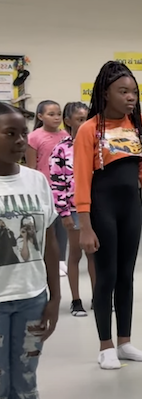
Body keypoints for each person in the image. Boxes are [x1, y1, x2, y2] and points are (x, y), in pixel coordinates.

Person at [76, 61, 142, 370]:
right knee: (106, 276)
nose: (130, 97)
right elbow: (81, 180)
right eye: (123, 91)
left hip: (131, 207)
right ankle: (105, 344)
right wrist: (85, 226)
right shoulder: (89, 129)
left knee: (127, 275)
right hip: (101, 207)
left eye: (133, 92)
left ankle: (125, 341)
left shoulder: (139, 124)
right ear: (105, 93)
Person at [0, 101, 62, 399]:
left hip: (30, 302)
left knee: (25, 390)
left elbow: (50, 241)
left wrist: (54, 298)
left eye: (23, 133)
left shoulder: (35, 180)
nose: (21, 140)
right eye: (10, 133)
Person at [48, 101, 96, 317]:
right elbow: (57, 184)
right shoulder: (61, 149)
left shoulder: (96, 145)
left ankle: (98, 297)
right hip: (74, 210)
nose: (84, 123)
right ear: (68, 122)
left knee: (95, 255)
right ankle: (76, 301)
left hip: (96, 209)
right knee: (76, 255)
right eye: (79, 119)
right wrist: (64, 213)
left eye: (86, 119)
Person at [27, 100, 68, 277]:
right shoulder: (34, 137)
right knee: (47, 226)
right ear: (40, 116)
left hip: (63, 188)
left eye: (58, 114)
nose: (56, 117)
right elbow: (30, 167)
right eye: (51, 114)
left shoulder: (66, 135)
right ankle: (46, 259)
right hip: (43, 188)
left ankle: (61, 261)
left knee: (64, 225)